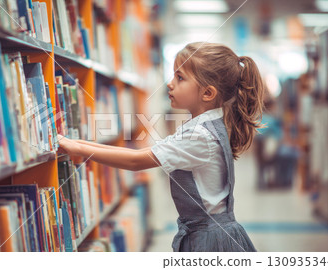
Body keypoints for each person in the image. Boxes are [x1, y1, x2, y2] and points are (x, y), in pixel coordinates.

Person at [58, 42, 264, 252]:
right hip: (213, 232)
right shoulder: (204, 126)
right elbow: (138, 154)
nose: (170, 83)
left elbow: (135, 161)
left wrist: (81, 150)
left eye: (180, 77)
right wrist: (78, 144)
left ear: (208, 93)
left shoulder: (198, 135)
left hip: (209, 240)